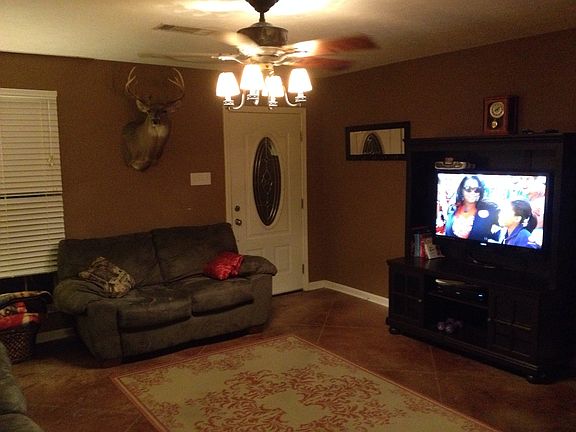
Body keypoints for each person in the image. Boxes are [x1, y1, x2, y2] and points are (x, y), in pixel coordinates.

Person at [445, 175, 499, 242]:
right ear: (461, 190)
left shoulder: (490, 209)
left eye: (477, 189)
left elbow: (504, 226)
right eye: (468, 189)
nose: (473, 193)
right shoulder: (452, 208)